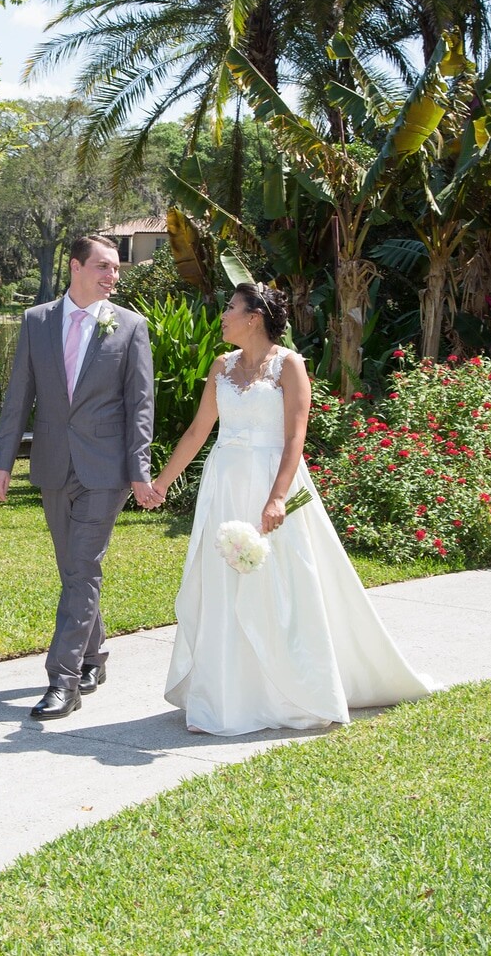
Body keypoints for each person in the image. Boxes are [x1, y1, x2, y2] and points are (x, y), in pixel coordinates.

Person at [151, 283, 431, 735]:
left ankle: (292, 689)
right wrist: (161, 484)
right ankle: (226, 693)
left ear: (254, 316)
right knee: (224, 580)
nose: (223, 315)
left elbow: (295, 436)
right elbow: (198, 431)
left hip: (271, 480)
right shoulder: (221, 366)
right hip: (225, 483)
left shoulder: (289, 364)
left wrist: (278, 495)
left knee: (282, 581)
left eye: (230, 307)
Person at [0, 235, 158, 720]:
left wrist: (138, 468)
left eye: (116, 269)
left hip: (105, 470)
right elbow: (19, 395)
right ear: (76, 267)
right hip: (52, 463)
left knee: (82, 569)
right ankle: (94, 655)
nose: (113, 276)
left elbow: (140, 405)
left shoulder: (130, 326)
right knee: (74, 570)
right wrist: (3, 462)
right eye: (104, 267)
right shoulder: (37, 321)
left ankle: (63, 680)